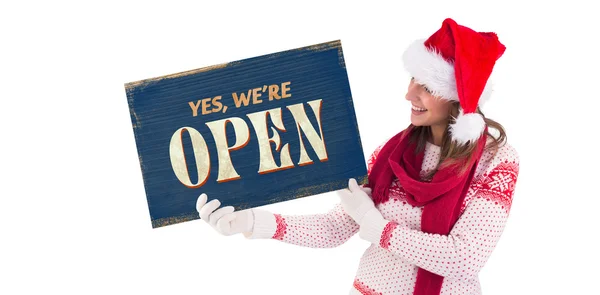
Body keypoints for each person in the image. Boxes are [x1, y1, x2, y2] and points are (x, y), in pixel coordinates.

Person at [196, 18, 520, 295]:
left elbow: (464, 258)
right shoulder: (392, 153)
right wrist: (252, 222)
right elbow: (334, 229)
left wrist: (378, 228)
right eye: (412, 80)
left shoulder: (497, 162)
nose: (409, 94)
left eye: (428, 87)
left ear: (459, 98)